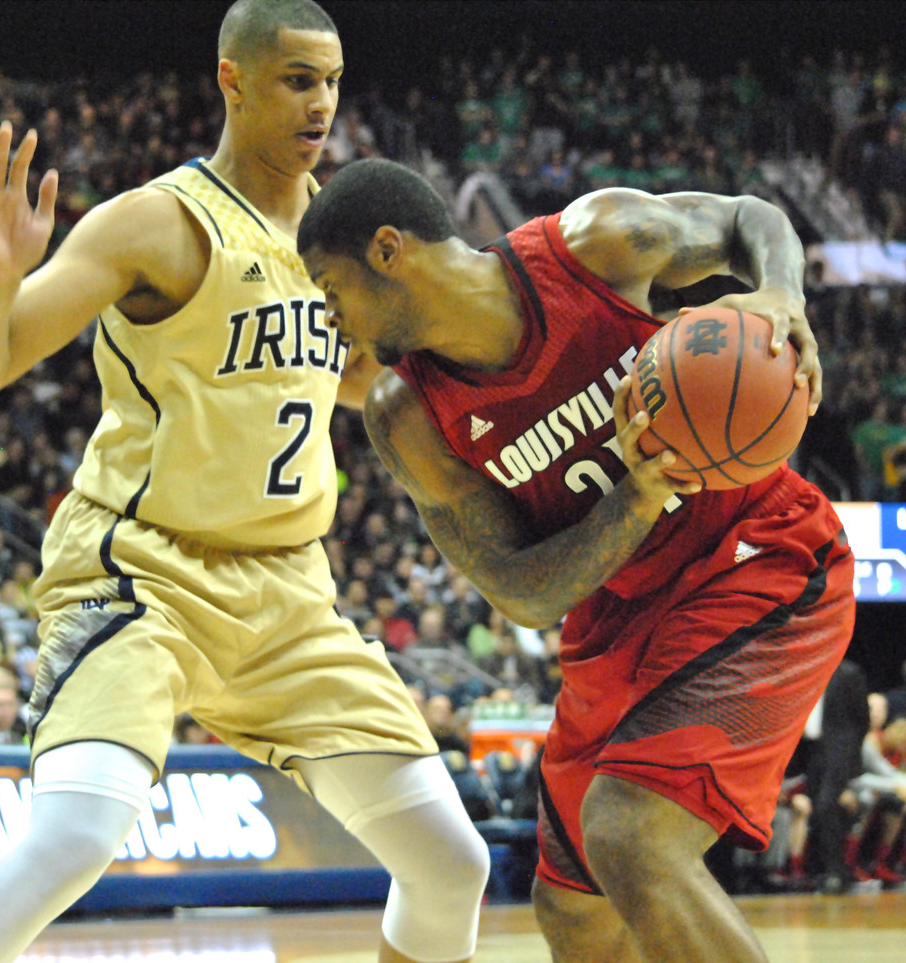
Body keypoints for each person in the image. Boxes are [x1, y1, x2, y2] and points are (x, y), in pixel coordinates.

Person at [0, 5, 488, 963]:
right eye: (299, 79)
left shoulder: (339, 234)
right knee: (72, 841)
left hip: (290, 596)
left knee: (449, 862)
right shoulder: (159, 222)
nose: (323, 104)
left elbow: (344, 381)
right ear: (234, 81)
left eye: (333, 81)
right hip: (144, 579)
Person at [297, 157, 856, 963]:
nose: (329, 316)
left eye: (329, 288)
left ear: (388, 249)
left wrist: (779, 295)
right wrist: (636, 493)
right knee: (573, 908)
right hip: (620, 613)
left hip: (754, 555)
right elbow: (523, 593)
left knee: (629, 835)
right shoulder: (407, 412)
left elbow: (747, 219)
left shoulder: (594, 247)